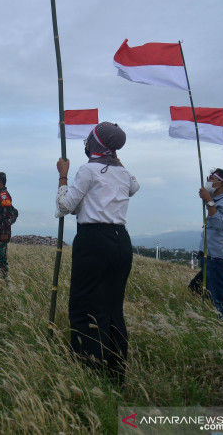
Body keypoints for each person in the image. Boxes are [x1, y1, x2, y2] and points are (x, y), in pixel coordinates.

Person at [56, 122, 139, 385]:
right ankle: (116, 373)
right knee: (113, 308)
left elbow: (64, 206)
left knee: (84, 307)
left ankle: (89, 372)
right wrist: (115, 158)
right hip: (121, 242)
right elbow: (134, 187)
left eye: (89, 139)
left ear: (94, 142)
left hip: (93, 242)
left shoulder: (88, 170)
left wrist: (63, 176)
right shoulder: (123, 174)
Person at [188, 169, 223, 322]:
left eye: (212, 178)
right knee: (214, 294)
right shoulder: (218, 202)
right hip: (211, 256)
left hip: (217, 258)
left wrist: (209, 200)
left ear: (221, 183)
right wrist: (208, 200)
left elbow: (219, 224)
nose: (208, 180)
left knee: (220, 296)